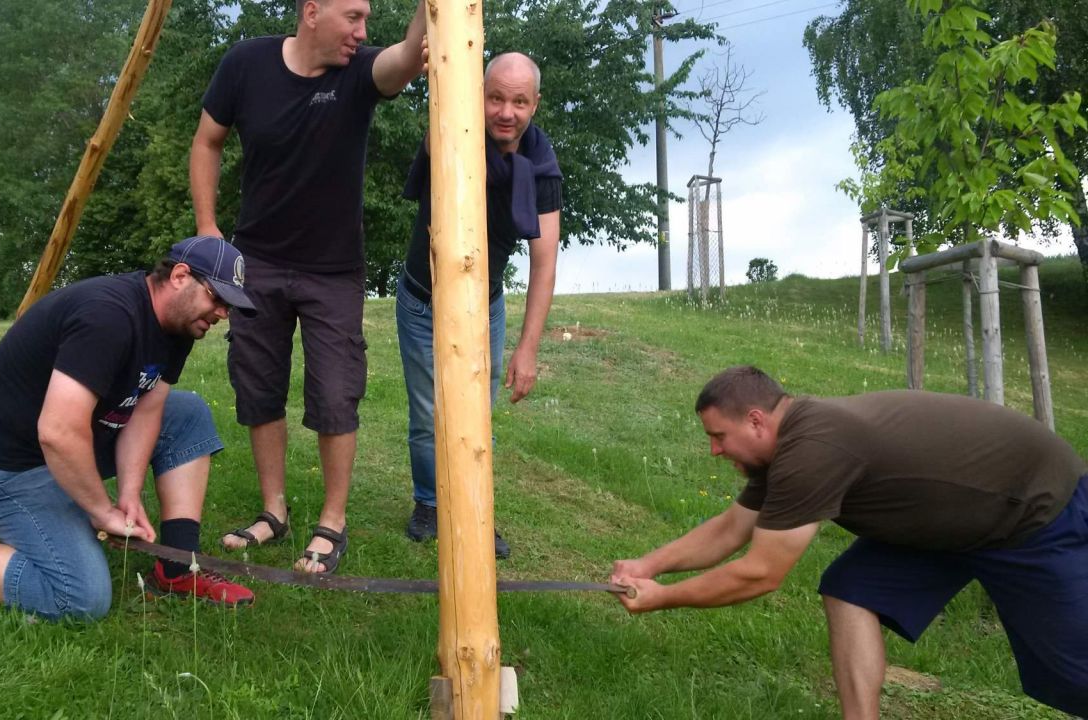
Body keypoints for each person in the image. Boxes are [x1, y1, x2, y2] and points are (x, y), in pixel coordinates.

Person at [610, 366, 1088, 718]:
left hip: (1034, 511)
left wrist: (663, 598)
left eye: (718, 436)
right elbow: (732, 528)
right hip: (952, 520)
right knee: (851, 588)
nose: (714, 449)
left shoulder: (813, 450)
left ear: (755, 421)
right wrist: (647, 566)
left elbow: (761, 573)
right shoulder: (785, 447)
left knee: (1073, 674)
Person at [0, 236, 261, 621]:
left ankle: (177, 569)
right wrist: (101, 511)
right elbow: (59, 431)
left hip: (60, 445)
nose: (222, 314)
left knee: (186, 413)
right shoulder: (109, 316)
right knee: (81, 597)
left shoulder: (178, 325)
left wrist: (129, 495)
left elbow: (147, 410)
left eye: (229, 306)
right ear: (180, 276)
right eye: (217, 298)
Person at [189, 0, 427, 574]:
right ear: (313, 12)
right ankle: (273, 511)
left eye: (366, 19)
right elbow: (207, 141)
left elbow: (408, 57)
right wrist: (208, 228)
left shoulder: (359, 73)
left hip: (333, 270)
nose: (363, 31)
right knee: (257, 383)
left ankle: (331, 522)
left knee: (336, 391)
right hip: (258, 261)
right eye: (353, 17)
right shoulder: (245, 64)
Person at [397, 52, 561, 558]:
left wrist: (528, 349)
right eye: (495, 98)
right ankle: (429, 503)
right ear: (478, 96)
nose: (506, 112)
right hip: (423, 299)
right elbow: (435, 133)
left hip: (483, 304)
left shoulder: (541, 164)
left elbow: (545, 262)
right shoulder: (451, 131)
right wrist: (439, 75)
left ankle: (472, 510)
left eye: (519, 102)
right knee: (429, 412)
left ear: (535, 104)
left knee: (476, 419)